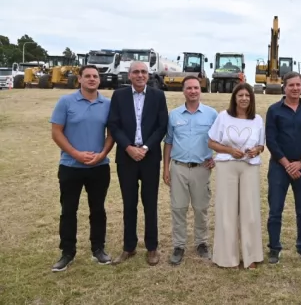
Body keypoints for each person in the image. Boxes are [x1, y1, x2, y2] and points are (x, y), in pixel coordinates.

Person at [49, 65, 115, 272]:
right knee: (69, 210)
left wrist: (102, 154)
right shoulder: (65, 102)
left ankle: (98, 249)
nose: (92, 79)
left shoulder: (108, 104)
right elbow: (57, 132)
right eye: (87, 76)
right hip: (70, 166)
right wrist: (76, 154)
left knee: (98, 210)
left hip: (99, 167)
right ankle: (67, 252)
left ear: (99, 80)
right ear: (80, 79)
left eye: (95, 76)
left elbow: (112, 134)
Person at [108, 61, 168, 266]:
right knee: (129, 203)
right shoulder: (119, 95)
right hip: (126, 157)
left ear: (148, 75)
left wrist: (145, 148)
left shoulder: (158, 96)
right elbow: (113, 125)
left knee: (150, 204)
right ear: (129, 75)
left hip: (149, 157)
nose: (140, 75)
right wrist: (128, 147)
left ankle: (152, 248)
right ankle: (129, 247)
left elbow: (162, 126)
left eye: (143, 71)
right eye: (136, 72)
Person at [208, 83, 265, 269]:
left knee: (250, 212)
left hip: (249, 167)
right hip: (227, 166)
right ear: (234, 98)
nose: (244, 98)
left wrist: (255, 150)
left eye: (247, 95)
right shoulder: (223, 117)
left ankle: (251, 257)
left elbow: (261, 146)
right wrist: (230, 150)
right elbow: (211, 142)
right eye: (240, 95)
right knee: (227, 212)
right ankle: (227, 258)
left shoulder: (257, 119)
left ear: (251, 98)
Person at [265, 71, 301, 264]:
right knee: (275, 209)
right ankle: (274, 248)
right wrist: (287, 164)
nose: (295, 88)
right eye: (291, 85)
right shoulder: (274, 110)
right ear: (284, 87)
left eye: (298, 85)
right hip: (280, 167)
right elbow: (271, 140)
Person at [163, 76, 218, 265]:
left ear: (200, 90)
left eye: (196, 88)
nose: (193, 91)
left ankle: (202, 243)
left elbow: (220, 141)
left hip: (201, 169)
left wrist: (215, 158)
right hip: (178, 167)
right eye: (189, 88)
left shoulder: (212, 115)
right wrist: (166, 169)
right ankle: (179, 245)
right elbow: (168, 142)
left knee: (201, 208)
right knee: (178, 208)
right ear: (183, 91)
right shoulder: (174, 115)